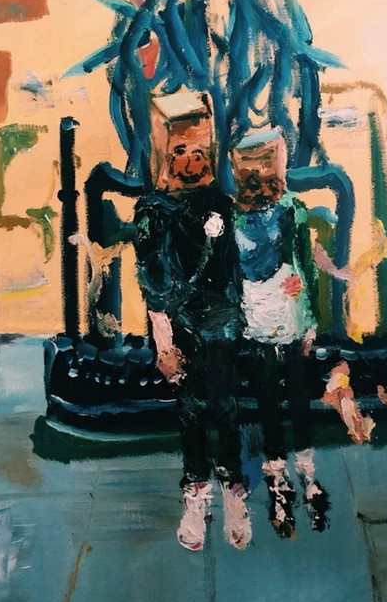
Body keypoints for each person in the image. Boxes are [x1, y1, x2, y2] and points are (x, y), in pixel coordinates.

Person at [133, 91, 251, 551]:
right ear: (164, 152)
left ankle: (233, 489)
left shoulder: (221, 203)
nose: (191, 160)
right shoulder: (153, 211)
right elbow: (152, 282)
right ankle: (196, 493)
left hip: (220, 319)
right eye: (181, 150)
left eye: (200, 150)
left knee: (225, 404)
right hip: (177, 321)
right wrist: (163, 341)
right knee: (190, 408)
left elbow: (230, 271)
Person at [232, 128, 330, 538]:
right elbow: (230, 271)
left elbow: (305, 266)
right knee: (268, 397)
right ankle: (277, 475)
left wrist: (309, 320)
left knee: (298, 394)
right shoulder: (232, 218)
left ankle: (306, 471)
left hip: (288, 313)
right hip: (255, 314)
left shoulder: (292, 209)